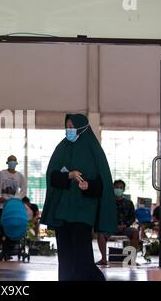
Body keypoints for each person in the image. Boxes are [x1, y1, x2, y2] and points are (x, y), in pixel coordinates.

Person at [40, 114, 117, 281]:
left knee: (82, 254)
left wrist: (88, 185)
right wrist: (69, 176)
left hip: (83, 210)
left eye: (72, 127)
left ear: (82, 128)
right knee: (65, 253)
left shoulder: (93, 150)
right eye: (67, 127)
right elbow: (52, 176)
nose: (69, 130)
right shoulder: (62, 148)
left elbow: (101, 183)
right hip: (63, 210)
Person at [0, 155, 27, 260]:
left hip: (13, 207)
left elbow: (24, 190)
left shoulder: (20, 176)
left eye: (14, 161)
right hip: (3, 206)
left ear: (16, 163)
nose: (12, 163)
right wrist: (0, 197)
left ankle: (8, 250)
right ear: (7, 162)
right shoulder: (1, 174)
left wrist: (15, 199)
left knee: (11, 227)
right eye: (10, 161)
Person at [96, 180, 139, 266]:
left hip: (124, 227)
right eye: (116, 187)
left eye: (120, 188)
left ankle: (131, 259)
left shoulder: (129, 203)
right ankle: (103, 259)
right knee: (101, 234)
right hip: (110, 227)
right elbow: (104, 216)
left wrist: (125, 225)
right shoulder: (108, 203)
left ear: (123, 189)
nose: (118, 189)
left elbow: (132, 217)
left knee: (135, 232)